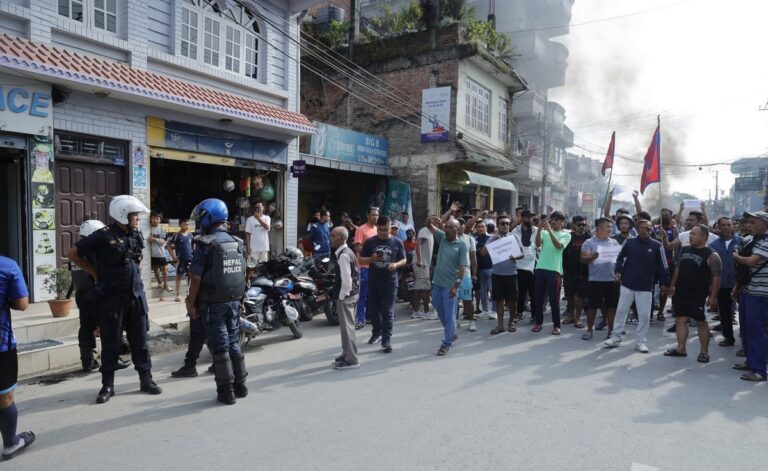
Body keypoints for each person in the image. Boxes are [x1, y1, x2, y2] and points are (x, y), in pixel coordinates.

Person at [68, 195, 162, 403]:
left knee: (141, 341)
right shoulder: (103, 236)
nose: (138, 218)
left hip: (135, 297)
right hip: (112, 299)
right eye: (135, 215)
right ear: (123, 214)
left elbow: (138, 258)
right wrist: (94, 272)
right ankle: (107, 385)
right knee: (111, 343)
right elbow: (73, 253)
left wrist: (134, 274)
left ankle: (146, 379)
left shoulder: (136, 234)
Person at [187, 198, 248, 404]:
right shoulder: (238, 242)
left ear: (209, 218)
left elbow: (196, 278)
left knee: (220, 346)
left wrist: (190, 303)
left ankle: (226, 392)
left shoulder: (205, 244)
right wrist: (241, 299)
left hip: (213, 304)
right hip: (234, 301)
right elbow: (242, 273)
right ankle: (241, 386)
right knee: (234, 343)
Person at [69, 219, 129, 372]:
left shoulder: (78, 251)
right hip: (97, 293)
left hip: (82, 295)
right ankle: (113, 359)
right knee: (108, 326)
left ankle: (87, 361)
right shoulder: (93, 251)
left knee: (86, 327)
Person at [604, 220, 669, 352]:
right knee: (621, 311)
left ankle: (641, 342)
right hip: (627, 284)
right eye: (643, 228)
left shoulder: (657, 245)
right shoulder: (629, 242)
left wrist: (664, 283)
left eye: (648, 228)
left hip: (646, 286)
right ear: (637, 229)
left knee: (644, 316)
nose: (646, 230)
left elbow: (664, 266)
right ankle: (616, 337)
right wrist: (618, 271)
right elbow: (620, 258)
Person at [664, 224, 721, 362]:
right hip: (681, 292)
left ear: (704, 237)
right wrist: (672, 286)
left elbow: (716, 278)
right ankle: (681, 349)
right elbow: (678, 269)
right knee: (681, 320)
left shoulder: (712, 255)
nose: (690, 236)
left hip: (698, 294)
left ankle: (704, 352)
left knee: (701, 322)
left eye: (694, 234)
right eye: (690, 234)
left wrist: (713, 297)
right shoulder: (684, 249)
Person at [0, 254, 34, 460]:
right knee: (4, 397)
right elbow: (22, 304)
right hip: (1, 345)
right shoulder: (7, 266)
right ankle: (10, 444)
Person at [359, 216, 406, 353]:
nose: (382, 233)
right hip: (373, 282)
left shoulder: (397, 242)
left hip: (390, 283)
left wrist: (395, 265)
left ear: (390, 228)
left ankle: (386, 340)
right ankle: (376, 333)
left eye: (385, 230)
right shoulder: (370, 242)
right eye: (379, 230)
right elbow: (361, 260)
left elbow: (404, 260)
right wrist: (372, 259)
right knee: (374, 311)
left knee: (387, 311)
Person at [733, 211, 768, 381]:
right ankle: (751, 361)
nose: (749, 225)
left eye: (754, 222)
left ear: (765, 223)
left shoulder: (766, 242)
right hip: (749, 291)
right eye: (749, 222)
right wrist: (738, 287)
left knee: (756, 331)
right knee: (747, 330)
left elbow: (750, 261)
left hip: (760, 294)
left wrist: (736, 257)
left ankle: (759, 370)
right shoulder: (752, 240)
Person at [427, 218, 467, 355]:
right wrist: (434, 219)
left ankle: (446, 343)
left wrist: (456, 286)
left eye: (451, 227)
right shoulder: (442, 238)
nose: (447, 229)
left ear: (457, 229)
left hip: (450, 286)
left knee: (450, 315)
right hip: (437, 283)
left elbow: (462, 268)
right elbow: (428, 224)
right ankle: (452, 331)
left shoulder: (462, 245)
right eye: (446, 227)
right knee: (437, 306)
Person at [481, 214, 524, 334]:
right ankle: (500, 325)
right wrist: (493, 242)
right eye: (502, 223)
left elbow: (522, 254)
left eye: (507, 224)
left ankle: (511, 322)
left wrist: (516, 256)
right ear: (498, 226)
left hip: (511, 274)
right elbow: (483, 253)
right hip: (497, 274)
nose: (505, 225)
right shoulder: (492, 238)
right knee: (499, 301)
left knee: (512, 301)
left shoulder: (514, 237)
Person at [581, 218, 621, 340]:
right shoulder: (589, 242)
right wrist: (592, 256)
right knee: (592, 306)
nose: (610, 229)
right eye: (608, 226)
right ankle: (589, 330)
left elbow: (618, 260)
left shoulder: (614, 242)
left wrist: (618, 273)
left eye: (611, 227)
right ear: (599, 228)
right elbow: (583, 259)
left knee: (612, 307)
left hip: (612, 280)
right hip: (595, 280)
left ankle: (611, 332)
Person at [533, 211, 572, 335]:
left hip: (554, 270)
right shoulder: (543, 232)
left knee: (554, 300)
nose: (553, 222)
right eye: (552, 219)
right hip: (540, 268)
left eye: (556, 220)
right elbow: (537, 244)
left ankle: (556, 325)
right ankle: (538, 323)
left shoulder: (566, 235)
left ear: (562, 222)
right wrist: (539, 230)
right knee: (538, 298)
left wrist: (549, 230)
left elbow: (558, 246)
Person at [709, 217, 742, 347]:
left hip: (739, 284)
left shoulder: (741, 242)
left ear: (732, 226)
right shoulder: (713, 245)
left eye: (729, 225)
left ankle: (745, 341)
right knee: (724, 313)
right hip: (722, 285)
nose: (726, 227)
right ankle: (728, 338)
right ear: (718, 227)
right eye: (723, 225)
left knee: (744, 314)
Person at [330, 226, 360, 369]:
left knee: (348, 329)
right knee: (346, 328)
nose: (331, 239)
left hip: (346, 297)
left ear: (341, 239)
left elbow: (346, 281)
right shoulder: (348, 252)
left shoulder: (343, 255)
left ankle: (351, 360)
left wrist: (341, 297)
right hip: (352, 294)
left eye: (333, 236)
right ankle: (346, 354)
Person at [354, 207, 380, 329]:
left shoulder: (377, 229)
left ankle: (369, 316)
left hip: (376, 266)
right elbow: (357, 247)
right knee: (363, 294)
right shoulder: (361, 229)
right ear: (367, 215)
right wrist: (370, 255)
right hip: (364, 266)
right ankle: (360, 319)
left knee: (372, 293)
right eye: (373, 215)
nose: (375, 217)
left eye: (377, 215)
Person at [562, 215, 590, 328]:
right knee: (569, 295)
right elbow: (562, 254)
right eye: (579, 224)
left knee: (581, 297)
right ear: (574, 225)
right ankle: (571, 316)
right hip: (569, 272)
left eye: (584, 224)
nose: (582, 227)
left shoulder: (589, 238)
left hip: (584, 272)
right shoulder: (568, 237)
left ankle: (578, 318)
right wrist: (562, 269)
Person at [512, 209, 538, 322]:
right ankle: (519, 312)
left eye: (531, 217)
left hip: (533, 264)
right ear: (522, 218)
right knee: (521, 291)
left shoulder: (536, 230)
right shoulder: (515, 231)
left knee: (533, 292)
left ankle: (534, 315)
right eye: (527, 216)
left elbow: (538, 245)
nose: (530, 219)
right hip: (520, 264)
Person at [411, 215, 437, 320]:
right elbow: (418, 243)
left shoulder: (431, 232)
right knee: (425, 288)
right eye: (434, 220)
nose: (437, 222)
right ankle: (425, 312)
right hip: (421, 263)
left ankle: (416, 311)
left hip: (424, 264)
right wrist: (419, 260)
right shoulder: (424, 230)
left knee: (419, 287)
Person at [168, 218, 194, 302]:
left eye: (188, 224)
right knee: (178, 276)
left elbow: (193, 246)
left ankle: (189, 294)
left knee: (190, 277)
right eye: (185, 224)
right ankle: (178, 295)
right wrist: (173, 255)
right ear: (180, 225)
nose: (187, 226)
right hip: (180, 260)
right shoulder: (176, 235)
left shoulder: (191, 235)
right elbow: (168, 245)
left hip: (190, 259)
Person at [148, 211, 172, 299]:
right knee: (155, 268)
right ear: (151, 219)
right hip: (152, 254)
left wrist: (155, 239)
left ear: (160, 220)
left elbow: (164, 242)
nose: (155, 220)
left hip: (161, 253)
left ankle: (166, 284)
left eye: (157, 218)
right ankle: (159, 283)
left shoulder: (161, 229)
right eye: (153, 218)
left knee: (164, 269)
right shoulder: (148, 228)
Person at [474, 220, 494, 319]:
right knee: (482, 291)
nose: (481, 228)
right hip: (480, 269)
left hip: (491, 267)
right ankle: (485, 310)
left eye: (483, 226)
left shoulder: (491, 238)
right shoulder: (474, 239)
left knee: (492, 290)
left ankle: (494, 310)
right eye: (479, 227)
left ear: (486, 227)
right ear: (476, 228)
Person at [245, 201, 271, 275]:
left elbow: (267, 227)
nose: (258, 209)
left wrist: (258, 218)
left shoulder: (267, 218)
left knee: (263, 267)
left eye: (259, 207)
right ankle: (249, 280)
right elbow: (247, 233)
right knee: (251, 267)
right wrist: (248, 247)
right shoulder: (250, 219)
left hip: (264, 248)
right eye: (256, 207)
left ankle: (261, 280)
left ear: (263, 208)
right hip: (253, 248)